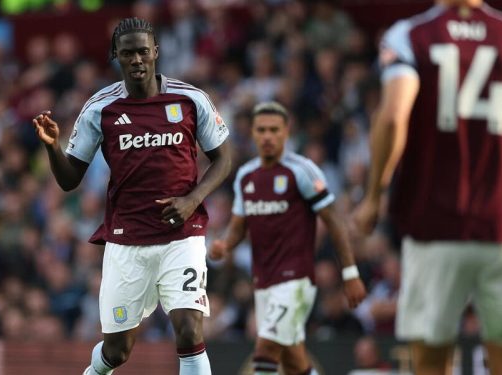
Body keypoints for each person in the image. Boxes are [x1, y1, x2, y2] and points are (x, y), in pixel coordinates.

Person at [32, 17, 231, 375]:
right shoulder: (100, 108)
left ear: (155, 52)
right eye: (128, 54)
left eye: (143, 51)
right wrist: (52, 149)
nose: (137, 60)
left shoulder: (189, 99)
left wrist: (192, 199)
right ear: (116, 57)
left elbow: (223, 158)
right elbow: (69, 180)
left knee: (189, 330)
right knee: (117, 351)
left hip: (181, 236)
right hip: (127, 240)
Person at [352, 1, 502, 374]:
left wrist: (374, 196)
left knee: (430, 365)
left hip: (433, 222)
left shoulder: (410, 35)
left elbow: (392, 117)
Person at [209, 102, 366, 375]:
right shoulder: (246, 177)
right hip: (264, 280)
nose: (267, 136)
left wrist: (350, 273)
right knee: (294, 360)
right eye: (262, 130)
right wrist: (225, 244)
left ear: (286, 132)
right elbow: (237, 227)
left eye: (274, 130)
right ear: (253, 133)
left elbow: (334, 223)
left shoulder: (302, 171)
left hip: (296, 280)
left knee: (266, 348)